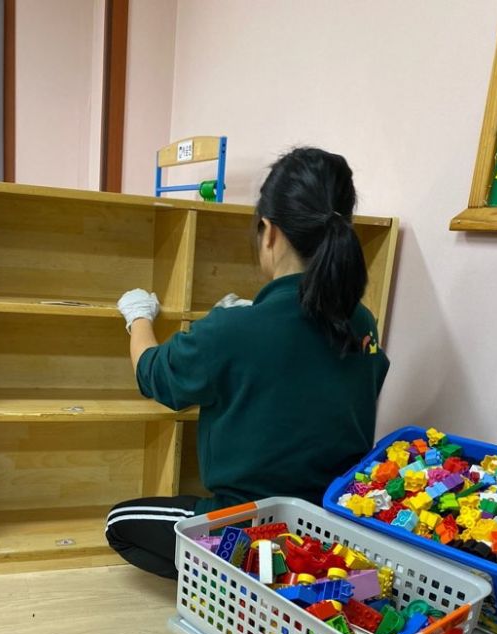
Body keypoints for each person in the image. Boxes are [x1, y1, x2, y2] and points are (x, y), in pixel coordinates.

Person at [105, 146, 390, 579]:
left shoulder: (231, 329)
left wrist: (138, 318)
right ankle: (286, 577)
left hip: (248, 525)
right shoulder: (361, 321)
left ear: (269, 232)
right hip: (330, 527)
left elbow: (154, 374)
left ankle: (238, 584)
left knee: (120, 523)